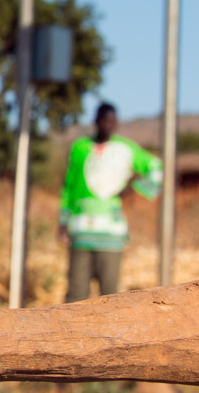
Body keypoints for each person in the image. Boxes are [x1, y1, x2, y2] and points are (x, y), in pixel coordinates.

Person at [59, 102, 162, 301]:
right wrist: (63, 222)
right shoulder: (79, 148)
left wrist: (133, 189)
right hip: (81, 233)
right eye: (104, 119)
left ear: (116, 123)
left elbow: (156, 168)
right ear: (96, 121)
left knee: (109, 298)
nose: (107, 124)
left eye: (111, 120)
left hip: (110, 236)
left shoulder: (125, 149)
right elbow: (68, 187)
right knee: (76, 295)